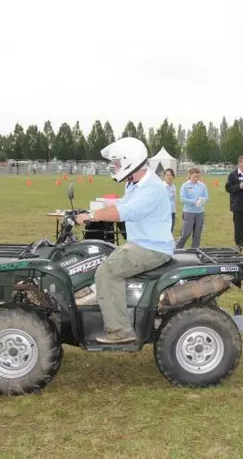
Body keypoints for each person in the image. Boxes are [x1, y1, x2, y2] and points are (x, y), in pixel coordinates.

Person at [75, 137, 174, 344]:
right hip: (140, 243)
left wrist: (93, 216)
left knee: (107, 272)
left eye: (117, 163)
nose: (115, 167)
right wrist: (93, 209)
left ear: (130, 160)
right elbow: (123, 203)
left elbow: (127, 211)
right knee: (101, 258)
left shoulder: (152, 188)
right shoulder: (135, 184)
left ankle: (120, 329)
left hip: (151, 247)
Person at [176, 167, 208, 249]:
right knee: (186, 233)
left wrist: (202, 200)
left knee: (197, 234)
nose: (196, 178)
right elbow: (182, 199)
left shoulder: (202, 185)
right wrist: (194, 201)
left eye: (198, 176)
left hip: (200, 212)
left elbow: (206, 197)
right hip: (189, 212)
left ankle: (194, 250)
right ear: (190, 175)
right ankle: (177, 249)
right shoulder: (185, 185)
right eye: (194, 176)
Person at [164, 168, 177, 233]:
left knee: (170, 231)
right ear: (164, 176)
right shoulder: (161, 186)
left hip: (172, 212)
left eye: (171, 175)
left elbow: (174, 199)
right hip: (164, 213)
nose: (169, 177)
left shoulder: (173, 186)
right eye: (167, 175)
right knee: (164, 231)